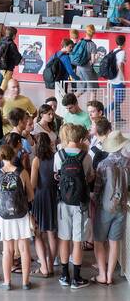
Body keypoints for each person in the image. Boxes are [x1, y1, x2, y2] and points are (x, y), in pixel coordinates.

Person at [55, 123, 93, 289]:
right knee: (77, 241)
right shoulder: (86, 156)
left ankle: (64, 275)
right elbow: (89, 177)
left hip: (63, 203)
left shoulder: (59, 155)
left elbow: (57, 175)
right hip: (80, 204)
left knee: (64, 239)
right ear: (80, 139)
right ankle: (76, 279)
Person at [0, 143, 34, 290]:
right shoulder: (22, 173)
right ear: (14, 155)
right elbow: (31, 195)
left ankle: (7, 282)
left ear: (0, 156)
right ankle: (25, 282)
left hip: (4, 217)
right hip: (21, 214)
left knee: (7, 250)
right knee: (24, 249)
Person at [92, 130, 130, 285]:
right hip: (122, 207)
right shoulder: (128, 163)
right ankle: (110, 275)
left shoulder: (103, 164)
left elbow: (97, 189)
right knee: (114, 242)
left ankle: (102, 275)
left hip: (104, 208)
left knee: (99, 241)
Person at [30, 132, 58, 278]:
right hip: (54, 198)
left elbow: (33, 184)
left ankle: (44, 267)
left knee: (38, 234)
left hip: (40, 197)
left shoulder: (36, 160)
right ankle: (51, 266)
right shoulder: (57, 157)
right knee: (52, 234)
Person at [107, 35, 126, 123]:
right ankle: (105, 110)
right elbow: (120, 64)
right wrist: (123, 77)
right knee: (121, 98)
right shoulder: (122, 52)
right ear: (124, 42)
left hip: (112, 79)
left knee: (117, 99)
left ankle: (117, 118)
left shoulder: (114, 51)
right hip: (119, 79)